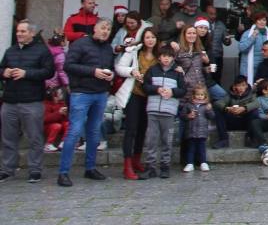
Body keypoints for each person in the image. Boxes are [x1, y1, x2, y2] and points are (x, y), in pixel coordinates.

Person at [57, 18, 115, 187]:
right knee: (74, 131)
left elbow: (110, 66)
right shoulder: (80, 44)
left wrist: (111, 75)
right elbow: (68, 65)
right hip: (81, 93)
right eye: (102, 28)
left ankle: (90, 168)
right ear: (94, 29)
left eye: (108, 29)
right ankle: (63, 172)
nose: (105, 31)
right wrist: (92, 71)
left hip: (100, 93)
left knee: (94, 132)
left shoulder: (108, 48)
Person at [0, 19, 56, 183]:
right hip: (10, 101)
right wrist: (5, 72)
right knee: (8, 138)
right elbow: (1, 69)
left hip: (31, 101)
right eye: (18, 31)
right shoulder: (10, 51)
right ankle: (7, 169)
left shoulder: (42, 51)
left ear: (32, 33)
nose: (19, 34)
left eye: (23, 31)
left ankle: (35, 169)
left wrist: (26, 74)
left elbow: (49, 72)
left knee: (34, 137)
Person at [138, 44, 186, 180]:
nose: (166, 59)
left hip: (169, 111)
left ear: (173, 58)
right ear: (159, 57)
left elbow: (183, 90)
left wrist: (172, 92)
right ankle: (150, 167)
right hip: (153, 110)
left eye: (169, 56)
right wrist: (157, 89)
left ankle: (165, 166)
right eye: (164, 56)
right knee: (151, 140)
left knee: (167, 140)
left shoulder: (177, 73)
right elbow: (145, 86)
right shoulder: (152, 70)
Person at [115, 27, 157, 180]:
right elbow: (119, 67)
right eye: (147, 37)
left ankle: (136, 160)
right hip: (134, 94)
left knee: (142, 130)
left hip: (151, 96)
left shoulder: (159, 55)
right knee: (131, 129)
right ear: (143, 39)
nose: (150, 40)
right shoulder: (134, 52)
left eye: (153, 37)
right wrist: (132, 72)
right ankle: (127, 165)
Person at [211, 76, 259, 149]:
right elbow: (218, 103)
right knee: (219, 111)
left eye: (243, 85)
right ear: (235, 86)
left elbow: (256, 103)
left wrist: (244, 108)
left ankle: (250, 138)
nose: (241, 88)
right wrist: (227, 108)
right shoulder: (231, 94)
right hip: (233, 121)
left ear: (246, 85)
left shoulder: (251, 94)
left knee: (254, 112)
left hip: (245, 122)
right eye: (239, 85)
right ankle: (223, 139)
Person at [180, 85, 215, 172]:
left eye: (202, 95)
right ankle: (190, 163)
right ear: (193, 95)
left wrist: (209, 110)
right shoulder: (188, 105)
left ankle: (203, 162)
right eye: (198, 94)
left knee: (202, 148)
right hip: (191, 131)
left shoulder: (206, 105)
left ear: (205, 96)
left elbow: (212, 116)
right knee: (190, 148)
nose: (200, 97)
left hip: (202, 131)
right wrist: (188, 116)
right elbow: (182, 116)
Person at [238, 11, 268, 83]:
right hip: (248, 67)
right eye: (259, 20)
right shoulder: (247, 33)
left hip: (265, 66)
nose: (262, 22)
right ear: (255, 21)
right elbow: (242, 48)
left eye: (264, 20)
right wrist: (253, 36)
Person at [203, 5, 231, 80]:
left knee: (216, 77)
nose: (213, 16)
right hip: (205, 57)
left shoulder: (221, 25)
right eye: (211, 14)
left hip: (217, 56)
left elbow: (227, 42)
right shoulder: (202, 25)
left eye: (215, 14)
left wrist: (227, 40)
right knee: (207, 77)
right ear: (206, 13)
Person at [43, 87, 69, 153]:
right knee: (56, 126)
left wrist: (65, 114)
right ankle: (48, 144)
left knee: (68, 124)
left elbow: (65, 120)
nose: (61, 96)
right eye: (58, 94)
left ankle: (64, 142)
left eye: (61, 94)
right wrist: (58, 113)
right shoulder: (46, 104)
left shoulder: (62, 103)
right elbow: (45, 119)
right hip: (48, 127)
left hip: (60, 126)